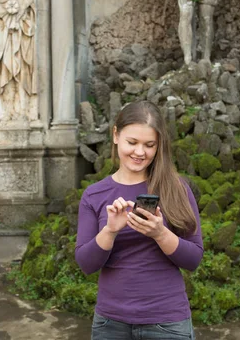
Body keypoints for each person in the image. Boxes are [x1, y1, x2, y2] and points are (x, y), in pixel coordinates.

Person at [75, 101, 203, 339]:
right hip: (110, 324)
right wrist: (110, 231)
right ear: (115, 135)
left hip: (167, 322)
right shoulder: (94, 195)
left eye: (149, 145)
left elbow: (194, 258)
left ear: (159, 145)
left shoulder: (176, 188)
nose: (140, 152)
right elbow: (86, 264)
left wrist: (160, 233)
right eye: (132, 142)